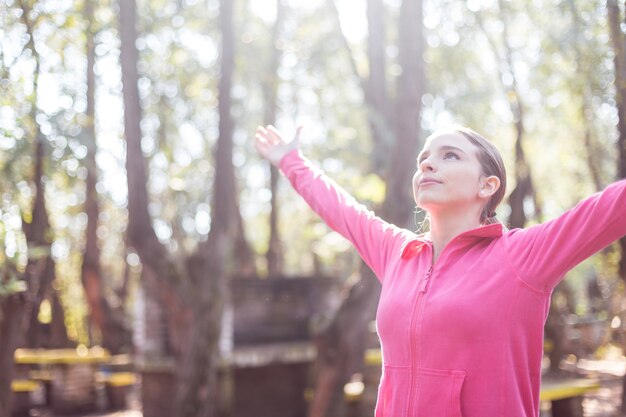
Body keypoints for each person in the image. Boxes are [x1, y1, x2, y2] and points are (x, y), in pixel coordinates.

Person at [254, 124, 626, 417]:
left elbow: (610, 208)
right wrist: (292, 162)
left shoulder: (522, 255)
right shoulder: (397, 252)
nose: (428, 164)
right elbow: (343, 210)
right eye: (424, 158)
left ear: (488, 185)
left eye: (450, 155)